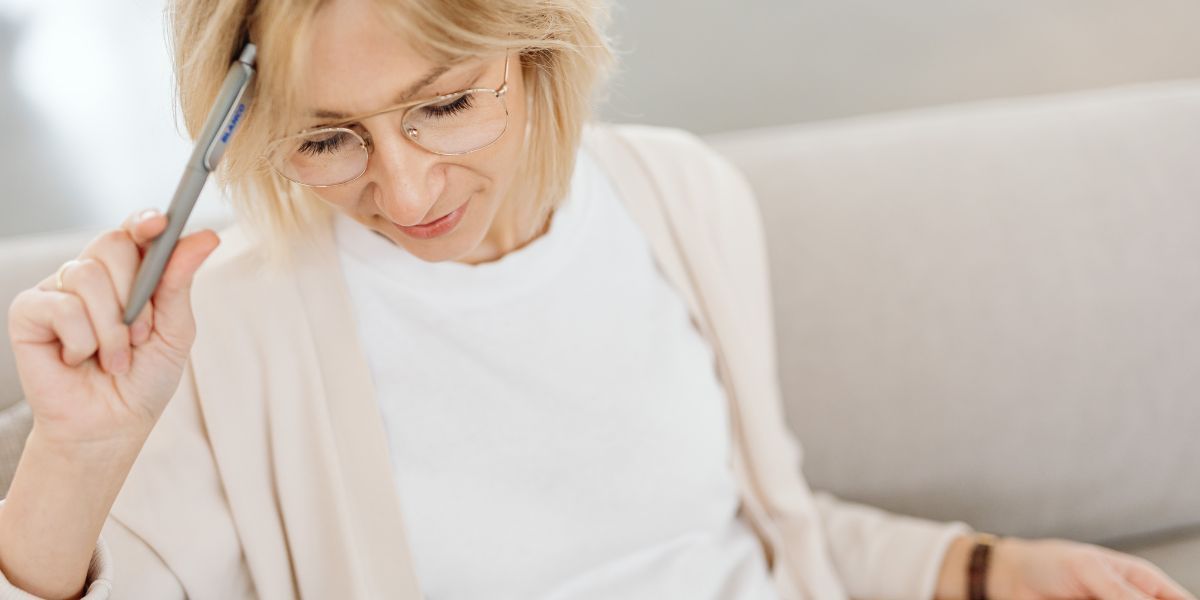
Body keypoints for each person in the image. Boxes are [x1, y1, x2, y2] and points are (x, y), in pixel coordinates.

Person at [0, 0, 1194, 599]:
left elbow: (753, 532)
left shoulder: (680, 193)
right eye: (328, 138)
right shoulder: (230, 328)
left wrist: (981, 569)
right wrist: (75, 454)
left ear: (534, 51)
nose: (406, 186)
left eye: (444, 104)